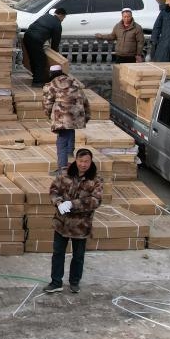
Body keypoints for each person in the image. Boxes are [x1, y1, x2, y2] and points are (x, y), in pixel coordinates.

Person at [43, 148, 103, 294]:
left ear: (91, 161)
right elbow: (53, 190)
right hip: (62, 222)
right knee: (58, 253)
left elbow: (95, 200)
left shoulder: (96, 180)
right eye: (81, 161)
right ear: (76, 160)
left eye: (86, 161)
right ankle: (56, 282)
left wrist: (72, 204)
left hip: (81, 225)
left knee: (78, 256)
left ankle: (74, 282)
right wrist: (58, 203)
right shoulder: (64, 173)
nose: (83, 164)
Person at [43, 65, 90, 172]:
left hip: (63, 117)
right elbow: (85, 100)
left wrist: (48, 113)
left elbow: (47, 102)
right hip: (77, 115)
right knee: (70, 130)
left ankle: (62, 167)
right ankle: (70, 153)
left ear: (51, 74)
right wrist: (87, 116)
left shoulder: (52, 85)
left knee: (61, 141)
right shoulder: (74, 83)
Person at [23, 8, 67, 87]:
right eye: (63, 18)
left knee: (33, 58)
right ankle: (38, 82)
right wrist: (55, 54)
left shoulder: (46, 16)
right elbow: (55, 41)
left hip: (27, 36)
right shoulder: (57, 24)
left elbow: (35, 26)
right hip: (36, 40)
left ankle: (36, 76)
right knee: (41, 61)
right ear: (61, 15)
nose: (63, 20)